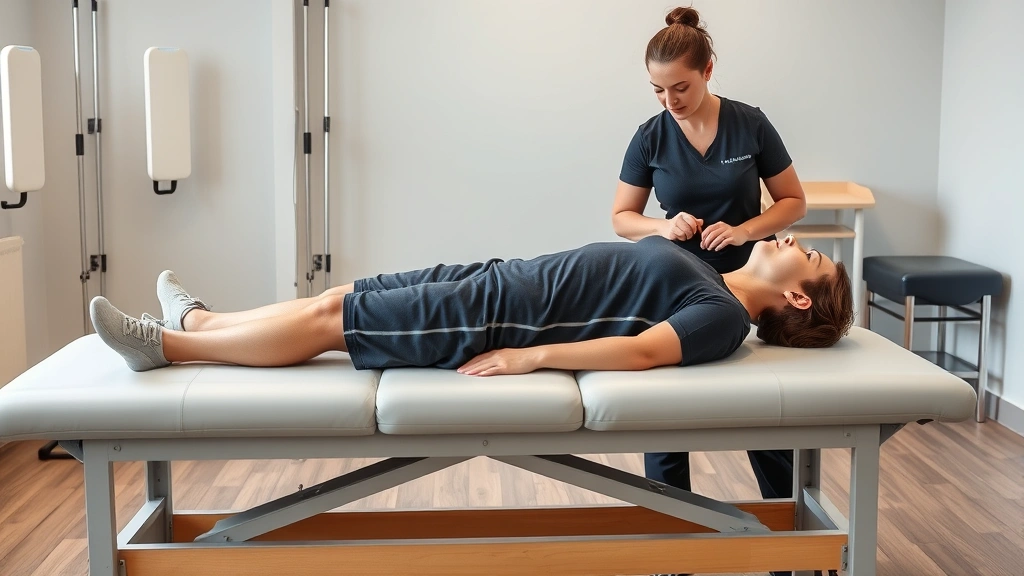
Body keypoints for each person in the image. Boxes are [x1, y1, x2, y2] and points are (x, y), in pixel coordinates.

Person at [611, 8, 814, 575]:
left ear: (708, 70)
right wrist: (662, 225)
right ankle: (673, 555)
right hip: (673, 291)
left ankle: (790, 552)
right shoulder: (650, 136)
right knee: (667, 426)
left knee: (766, 424)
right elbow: (622, 218)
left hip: (746, 293)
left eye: (681, 86)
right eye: (658, 90)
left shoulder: (750, 125)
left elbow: (793, 201)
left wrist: (747, 231)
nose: (670, 100)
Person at [90, 235, 852, 380]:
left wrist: (536, 356)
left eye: (807, 255)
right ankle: (203, 321)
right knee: (338, 297)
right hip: (497, 279)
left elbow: (645, 351)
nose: (794, 237)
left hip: (500, 319)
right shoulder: (712, 276)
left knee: (332, 327)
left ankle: (166, 346)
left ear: (794, 296)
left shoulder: (721, 321)